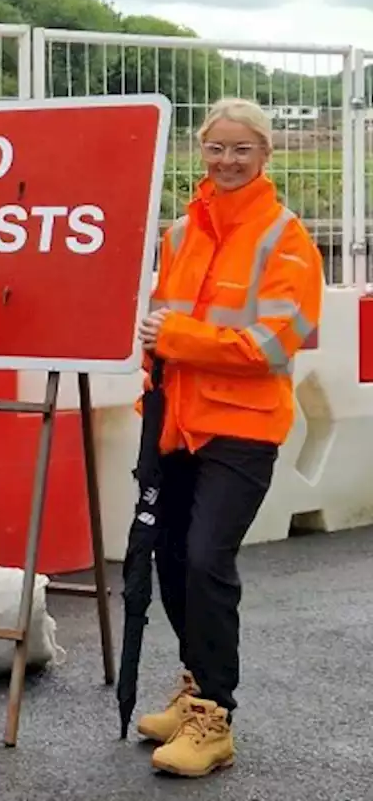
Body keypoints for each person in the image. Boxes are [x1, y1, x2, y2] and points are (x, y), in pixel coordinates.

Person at [134, 97, 323, 777]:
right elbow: (158, 323)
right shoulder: (181, 232)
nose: (228, 160)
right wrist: (152, 383)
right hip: (178, 423)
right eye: (217, 147)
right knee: (171, 561)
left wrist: (177, 339)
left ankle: (214, 715)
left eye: (242, 148)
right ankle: (194, 688)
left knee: (209, 560)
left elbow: (272, 344)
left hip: (241, 430)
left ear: (266, 155)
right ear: (201, 151)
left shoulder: (285, 236)